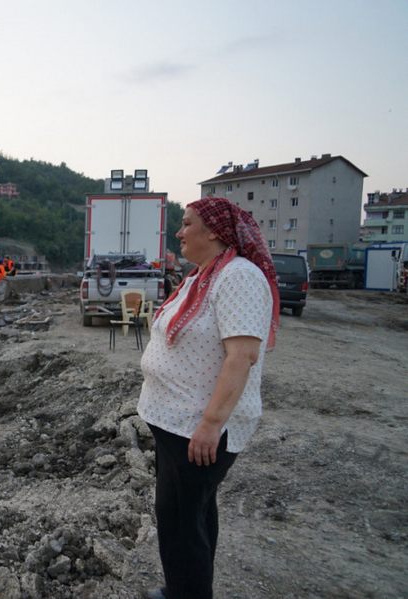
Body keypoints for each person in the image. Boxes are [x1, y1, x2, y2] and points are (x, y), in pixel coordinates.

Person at [137, 197, 279, 599]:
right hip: (173, 424)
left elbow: (242, 356)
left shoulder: (238, 277)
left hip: (196, 429)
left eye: (186, 224)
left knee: (183, 522)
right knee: (186, 515)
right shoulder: (205, 274)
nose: (179, 233)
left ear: (214, 231)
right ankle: (185, 589)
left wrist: (212, 424)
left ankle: (186, 594)